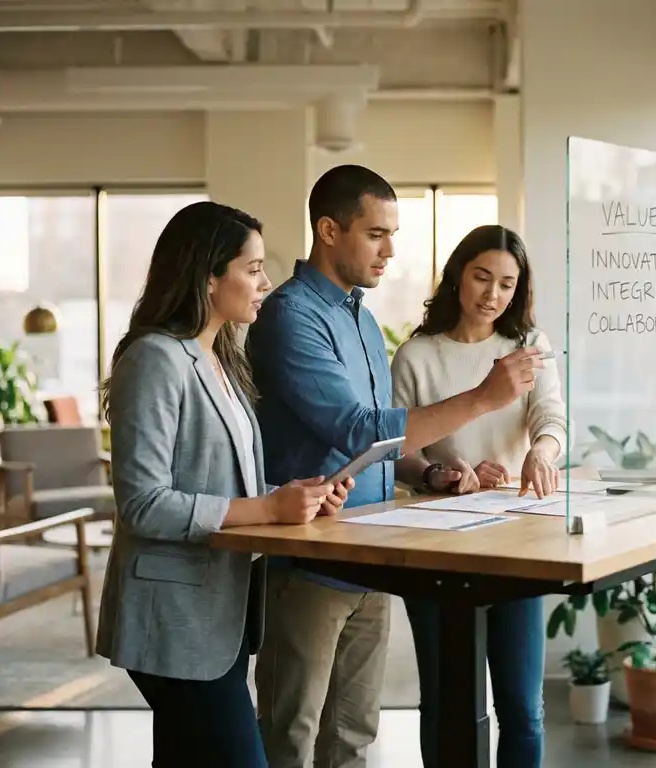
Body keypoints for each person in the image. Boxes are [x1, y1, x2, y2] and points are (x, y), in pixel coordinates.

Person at [246, 164, 544, 768]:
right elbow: (356, 427)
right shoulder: (289, 316)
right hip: (310, 560)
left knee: (354, 739)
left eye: (393, 234)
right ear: (329, 231)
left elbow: (378, 450)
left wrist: (426, 475)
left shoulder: (360, 317)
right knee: (291, 737)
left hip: (372, 558)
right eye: (376, 233)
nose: (390, 251)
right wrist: (484, 398)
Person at [96, 201, 350, 768]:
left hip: (224, 614)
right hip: (174, 620)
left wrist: (302, 500)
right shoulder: (156, 359)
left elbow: (233, 481)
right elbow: (143, 503)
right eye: (253, 268)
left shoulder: (221, 358)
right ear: (209, 277)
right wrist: (265, 508)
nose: (264, 283)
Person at [390, 224, 569, 768]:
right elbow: (397, 451)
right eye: (482, 278)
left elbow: (552, 418)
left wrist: (542, 451)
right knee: (446, 703)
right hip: (436, 548)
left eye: (507, 284)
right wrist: (438, 473)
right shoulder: (416, 356)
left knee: (522, 706)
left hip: (515, 544)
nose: (493, 294)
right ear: (457, 278)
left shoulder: (529, 348)